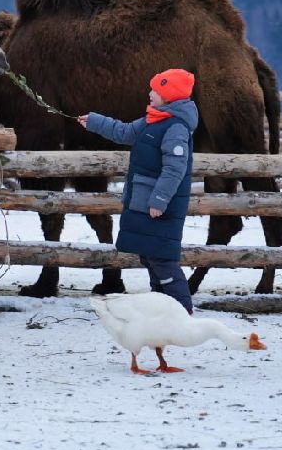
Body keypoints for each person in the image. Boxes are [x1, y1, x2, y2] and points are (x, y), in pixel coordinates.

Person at [77, 68, 198, 314]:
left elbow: (175, 169)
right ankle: (163, 310)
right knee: (150, 257)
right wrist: (94, 121)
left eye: (156, 90)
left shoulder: (175, 127)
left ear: (170, 96)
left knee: (163, 260)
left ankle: (183, 312)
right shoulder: (154, 119)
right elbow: (123, 132)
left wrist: (160, 200)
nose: (150, 93)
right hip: (145, 202)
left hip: (159, 206)